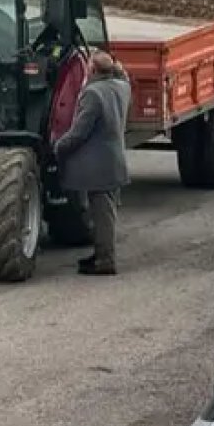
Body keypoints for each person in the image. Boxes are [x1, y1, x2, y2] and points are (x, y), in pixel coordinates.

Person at [53, 50, 131, 276]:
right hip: (114, 160)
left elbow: (79, 132)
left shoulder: (92, 94)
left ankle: (105, 260)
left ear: (93, 69)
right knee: (106, 212)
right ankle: (99, 254)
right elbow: (123, 76)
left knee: (102, 214)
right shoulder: (122, 87)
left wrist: (59, 147)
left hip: (99, 166)